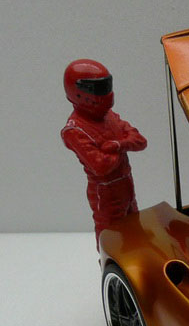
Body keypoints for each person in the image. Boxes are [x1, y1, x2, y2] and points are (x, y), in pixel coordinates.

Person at [61, 59, 147, 247]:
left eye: (105, 85)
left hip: (126, 185)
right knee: (111, 237)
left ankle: (137, 262)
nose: (105, 92)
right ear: (78, 91)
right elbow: (101, 165)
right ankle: (109, 265)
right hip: (106, 192)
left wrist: (117, 145)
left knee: (135, 230)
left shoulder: (110, 116)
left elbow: (140, 141)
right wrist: (125, 144)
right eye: (97, 88)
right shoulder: (74, 130)